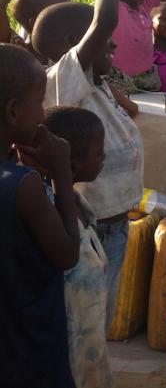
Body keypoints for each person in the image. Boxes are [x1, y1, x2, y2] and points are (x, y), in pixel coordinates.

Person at [32, 0, 144, 329]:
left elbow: (100, 25)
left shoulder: (95, 85)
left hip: (115, 225)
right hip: (88, 229)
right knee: (82, 323)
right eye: (101, 41)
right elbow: (104, 20)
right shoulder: (64, 79)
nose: (113, 43)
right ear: (68, 47)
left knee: (99, 318)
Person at [0, 44, 78, 388]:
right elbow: (67, 254)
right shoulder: (24, 186)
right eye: (40, 101)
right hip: (28, 349)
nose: (43, 112)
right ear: (14, 111)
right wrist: (62, 174)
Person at [44, 106, 112, 388]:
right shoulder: (48, 213)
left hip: (91, 344)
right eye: (99, 153)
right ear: (71, 166)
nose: (104, 157)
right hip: (67, 352)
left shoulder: (78, 205)